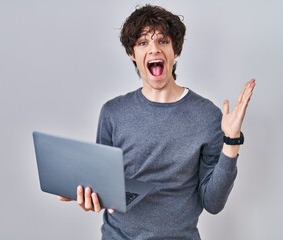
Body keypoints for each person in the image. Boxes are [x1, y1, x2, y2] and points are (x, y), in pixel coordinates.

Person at [59, 4, 256, 239]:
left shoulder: (208, 116)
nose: (153, 49)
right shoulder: (113, 112)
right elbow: (106, 188)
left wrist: (231, 141)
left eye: (162, 41)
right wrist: (90, 196)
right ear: (132, 54)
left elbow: (213, 203)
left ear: (175, 50)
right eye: (143, 43)